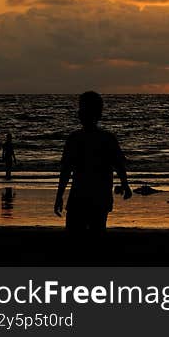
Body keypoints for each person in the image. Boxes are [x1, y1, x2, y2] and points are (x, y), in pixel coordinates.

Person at [54, 91, 132, 236]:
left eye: (82, 109)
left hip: (86, 196)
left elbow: (66, 170)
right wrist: (125, 185)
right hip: (93, 196)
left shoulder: (76, 138)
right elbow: (119, 165)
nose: (80, 113)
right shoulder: (105, 138)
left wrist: (59, 196)